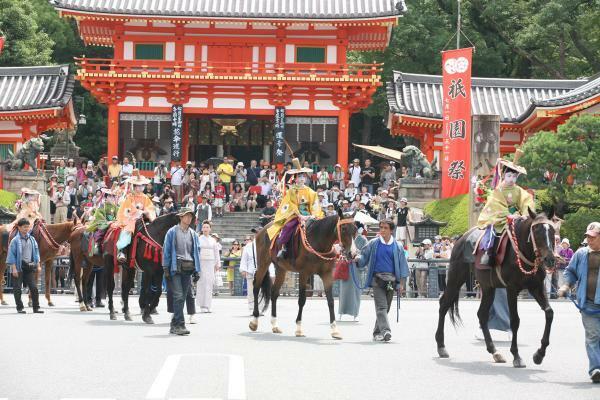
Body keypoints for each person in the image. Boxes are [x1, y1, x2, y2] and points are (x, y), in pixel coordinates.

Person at [557, 222, 600, 383]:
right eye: (588, 236)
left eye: (593, 237)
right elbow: (570, 272)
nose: (589, 240)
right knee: (593, 336)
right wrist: (566, 285)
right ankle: (596, 369)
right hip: (588, 304)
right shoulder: (581, 254)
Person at [353, 220, 409, 342]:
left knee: (386, 308)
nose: (382, 230)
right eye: (381, 227)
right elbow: (364, 257)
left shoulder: (398, 246)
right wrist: (357, 258)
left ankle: (377, 332)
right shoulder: (373, 243)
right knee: (381, 307)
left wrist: (402, 283)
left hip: (391, 281)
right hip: (377, 280)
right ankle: (386, 331)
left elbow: (403, 266)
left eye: (385, 228)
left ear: (391, 230)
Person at [478, 150, 535, 266]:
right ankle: (488, 253)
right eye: (509, 176)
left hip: (517, 217)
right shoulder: (498, 190)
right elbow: (496, 203)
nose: (511, 179)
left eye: (514, 176)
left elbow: (526, 201)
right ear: (503, 175)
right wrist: (508, 215)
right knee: (492, 231)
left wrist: (525, 214)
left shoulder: (518, 190)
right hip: (499, 216)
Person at [266, 158, 323, 259]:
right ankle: (283, 247)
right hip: (296, 214)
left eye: (303, 176)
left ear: (306, 179)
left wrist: (312, 215)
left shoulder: (311, 192)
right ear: (295, 179)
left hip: (309, 214)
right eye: (299, 176)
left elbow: (315, 205)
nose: (302, 178)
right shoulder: (292, 191)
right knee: (288, 226)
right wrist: (300, 215)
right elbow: (292, 204)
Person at [162, 207, 201, 335]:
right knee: (178, 296)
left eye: (191, 216)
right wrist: (165, 268)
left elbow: (196, 253)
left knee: (183, 297)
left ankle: (174, 324)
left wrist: (197, 270)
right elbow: (166, 251)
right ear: (180, 217)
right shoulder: (172, 232)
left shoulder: (194, 234)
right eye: (186, 216)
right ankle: (180, 325)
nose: (189, 218)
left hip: (188, 268)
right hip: (175, 267)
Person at [115, 170, 156, 262]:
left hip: (143, 218)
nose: (140, 187)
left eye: (142, 185)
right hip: (131, 218)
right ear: (135, 186)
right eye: (138, 185)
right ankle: (122, 251)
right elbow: (127, 209)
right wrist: (137, 211)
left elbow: (150, 208)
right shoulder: (130, 197)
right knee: (128, 229)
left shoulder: (145, 197)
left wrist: (146, 212)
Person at [7, 218, 43, 314]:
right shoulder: (15, 240)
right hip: (18, 267)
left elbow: (36, 253)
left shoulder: (32, 239)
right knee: (17, 288)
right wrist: (14, 268)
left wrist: (38, 265)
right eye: (24, 227)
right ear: (19, 227)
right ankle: (20, 307)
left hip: (29, 267)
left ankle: (36, 308)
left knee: (34, 288)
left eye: (28, 227)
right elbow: (11, 255)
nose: (26, 229)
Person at [338, 222, 368, 321]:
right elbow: (341, 250)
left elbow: (366, 253)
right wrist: (341, 248)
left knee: (356, 291)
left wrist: (357, 253)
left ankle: (355, 313)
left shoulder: (362, 239)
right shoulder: (346, 238)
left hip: (356, 266)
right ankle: (341, 312)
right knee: (343, 290)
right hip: (346, 265)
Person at [196, 221, 221, 313]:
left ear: (210, 229)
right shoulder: (198, 239)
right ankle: (202, 305)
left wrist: (217, 264)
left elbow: (216, 253)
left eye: (207, 227)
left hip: (210, 263)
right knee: (201, 283)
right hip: (201, 262)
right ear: (202, 229)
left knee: (209, 283)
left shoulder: (213, 240)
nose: (205, 229)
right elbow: (196, 252)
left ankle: (208, 304)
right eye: (204, 227)